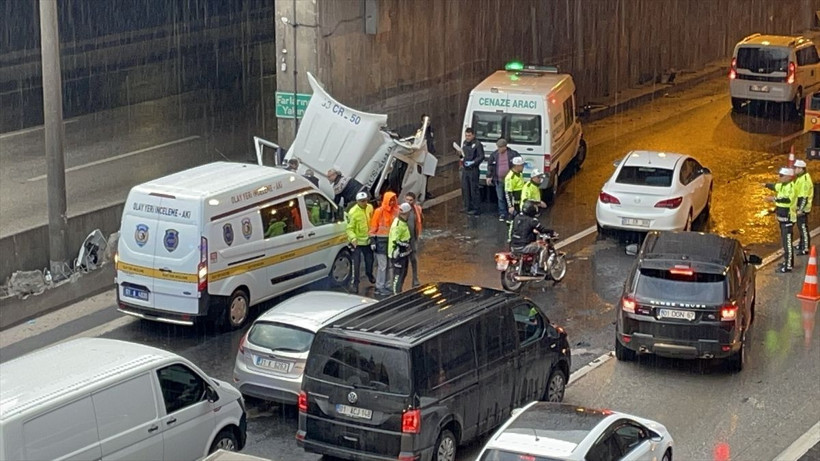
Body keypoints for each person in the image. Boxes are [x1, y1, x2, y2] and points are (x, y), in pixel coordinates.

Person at [764, 167, 798, 273]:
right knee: (784, 242)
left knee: (787, 243)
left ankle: (788, 266)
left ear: (788, 177)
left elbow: (787, 199)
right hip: (783, 219)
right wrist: (765, 185)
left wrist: (773, 199)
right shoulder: (783, 186)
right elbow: (775, 186)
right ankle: (788, 261)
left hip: (788, 219)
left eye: (781, 175)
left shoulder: (791, 187)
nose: (779, 177)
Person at [509, 201, 554, 275]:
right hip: (523, 246)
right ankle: (540, 268)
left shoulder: (517, 217)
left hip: (513, 246)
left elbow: (522, 228)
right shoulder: (532, 220)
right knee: (542, 248)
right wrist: (551, 232)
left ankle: (528, 265)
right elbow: (542, 229)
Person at [369, 191, 399, 295]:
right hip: (380, 242)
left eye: (393, 200)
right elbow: (373, 227)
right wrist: (372, 241)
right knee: (383, 266)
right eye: (390, 200)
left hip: (390, 243)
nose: (391, 203)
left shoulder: (395, 211)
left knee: (389, 265)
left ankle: (386, 285)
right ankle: (379, 286)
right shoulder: (379, 211)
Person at [486, 138, 522, 221]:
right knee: (500, 197)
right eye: (498, 147)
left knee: (510, 197)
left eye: (500, 147)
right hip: (499, 180)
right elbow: (490, 165)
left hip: (510, 180)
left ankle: (512, 213)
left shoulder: (513, 154)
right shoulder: (494, 155)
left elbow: (518, 164)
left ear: (505, 147)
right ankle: (502, 213)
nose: (498, 149)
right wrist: (489, 176)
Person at [347, 191, 375, 293]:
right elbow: (349, 228)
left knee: (370, 261)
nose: (364, 203)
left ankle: (369, 274)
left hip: (367, 240)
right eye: (362, 201)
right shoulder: (353, 212)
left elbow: (372, 221)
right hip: (357, 243)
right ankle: (355, 284)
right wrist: (353, 239)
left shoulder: (370, 208)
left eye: (365, 200)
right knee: (356, 264)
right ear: (357, 201)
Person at [389, 202, 413, 295]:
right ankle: (396, 294)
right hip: (397, 254)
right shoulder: (398, 224)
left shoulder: (403, 222)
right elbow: (395, 240)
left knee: (403, 274)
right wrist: (406, 245)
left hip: (403, 254)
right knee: (398, 275)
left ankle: (399, 292)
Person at [460, 127, 484, 215]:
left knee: (474, 189)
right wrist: (461, 157)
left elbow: (481, 156)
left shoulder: (478, 144)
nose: (467, 137)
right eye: (466, 135)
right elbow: (463, 155)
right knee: (465, 188)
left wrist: (473, 162)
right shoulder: (465, 143)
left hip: (473, 169)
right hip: (465, 169)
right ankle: (467, 206)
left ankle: (476, 208)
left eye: (469, 136)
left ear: (473, 135)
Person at [794, 159, 813, 255]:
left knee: (803, 227)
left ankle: (805, 247)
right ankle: (801, 244)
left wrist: (800, 209)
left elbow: (804, 197)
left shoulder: (805, 180)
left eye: (797, 168)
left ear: (802, 169)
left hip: (803, 209)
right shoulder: (800, 178)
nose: (795, 169)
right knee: (800, 227)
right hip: (799, 207)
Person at [405, 192, 424, 287]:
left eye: (411, 200)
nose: (409, 202)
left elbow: (419, 222)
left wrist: (418, 235)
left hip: (413, 238)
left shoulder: (417, 209)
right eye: (407, 200)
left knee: (414, 259)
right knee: (403, 261)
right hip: (404, 239)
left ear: (414, 200)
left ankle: (415, 278)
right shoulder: (402, 210)